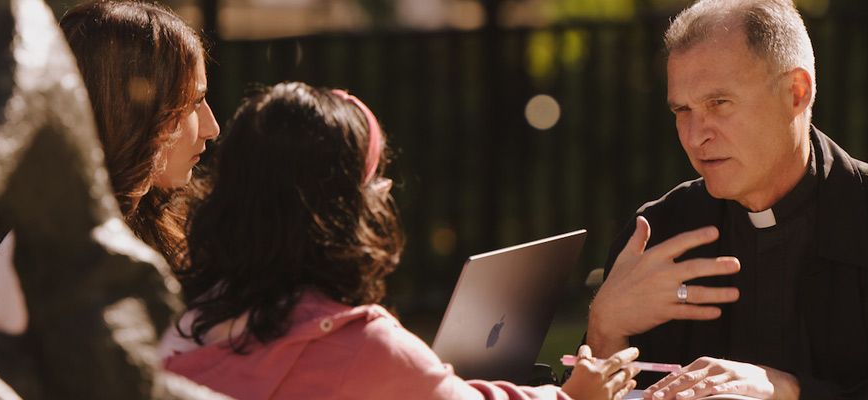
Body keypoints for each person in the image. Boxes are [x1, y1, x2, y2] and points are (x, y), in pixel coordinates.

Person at [582, 0, 868, 399]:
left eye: (718, 104)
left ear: (796, 92)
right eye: (682, 110)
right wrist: (605, 327)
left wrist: (788, 390)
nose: (694, 135)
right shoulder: (656, 235)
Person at [163, 82, 640, 399]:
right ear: (348, 207)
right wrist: (573, 395)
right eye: (374, 179)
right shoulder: (359, 347)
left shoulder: (181, 324)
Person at [0, 0, 220, 334]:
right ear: (133, 113)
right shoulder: (42, 261)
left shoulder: (152, 226)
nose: (212, 127)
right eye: (194, 102)